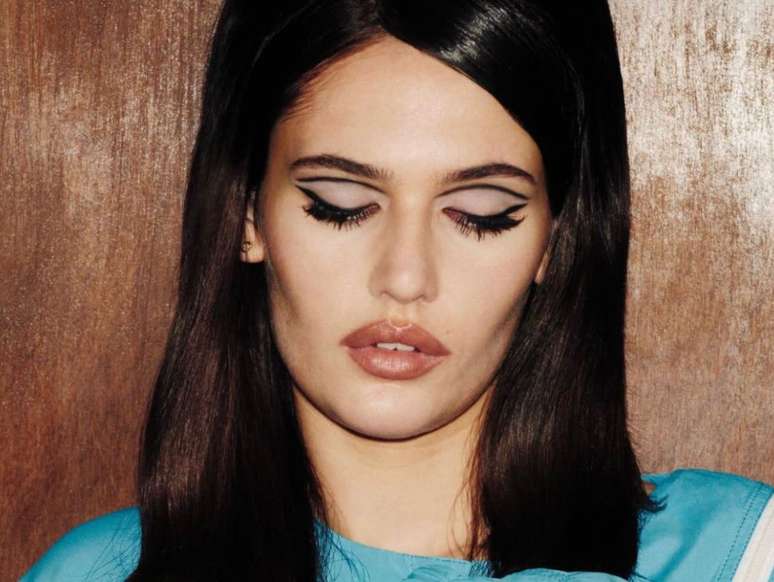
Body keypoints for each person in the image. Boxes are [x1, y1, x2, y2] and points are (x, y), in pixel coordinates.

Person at [22, 1, 774, 581]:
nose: (406, 278)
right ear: (247, 213)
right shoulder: (97, 573)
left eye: (481, 214)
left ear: (555, 238)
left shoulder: (739, 556)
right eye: (340, 205)